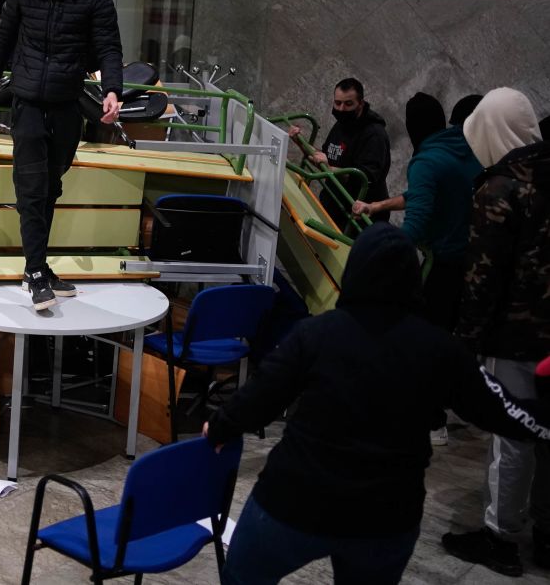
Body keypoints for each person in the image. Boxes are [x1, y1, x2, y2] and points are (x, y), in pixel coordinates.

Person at [203, 223, 550, 585]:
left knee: (242, 579)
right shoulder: (441, 350)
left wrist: (221, 426)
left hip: (295, 501)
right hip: (386, 517)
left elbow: (261, 396)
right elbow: (503, 412)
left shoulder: (315, 334)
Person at [0, 0, 123, 311]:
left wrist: (112, 90)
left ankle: (35, 266)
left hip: (66, 105)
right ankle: (37, 271)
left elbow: (109, 47)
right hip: (26, 102)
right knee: (30, 188)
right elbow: (2, 40)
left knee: (51, 186)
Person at [441, 86, 549, 578]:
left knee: (512, 437)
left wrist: (463, 345)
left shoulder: (499, 188)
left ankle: (500, 537)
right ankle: (544, 535)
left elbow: (482, 278)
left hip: (515, 336)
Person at [353, 92, 483, 331]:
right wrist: (377, 206)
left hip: (445, 263)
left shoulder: (427, 162)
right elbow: (425, 195)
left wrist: (382, 256)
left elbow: (417, 219)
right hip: (473, 259)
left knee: (426, 330)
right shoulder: (460, 150)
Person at [290, 78, 391, 230]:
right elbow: (323, 158)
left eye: (348, 104)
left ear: (361, 104)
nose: (342, 109)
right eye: (338, 103)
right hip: (332, 208)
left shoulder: (374, 134)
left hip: (356, 221)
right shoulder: (342, 124)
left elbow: (364, 178)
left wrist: (329, 167)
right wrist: (300, 142)